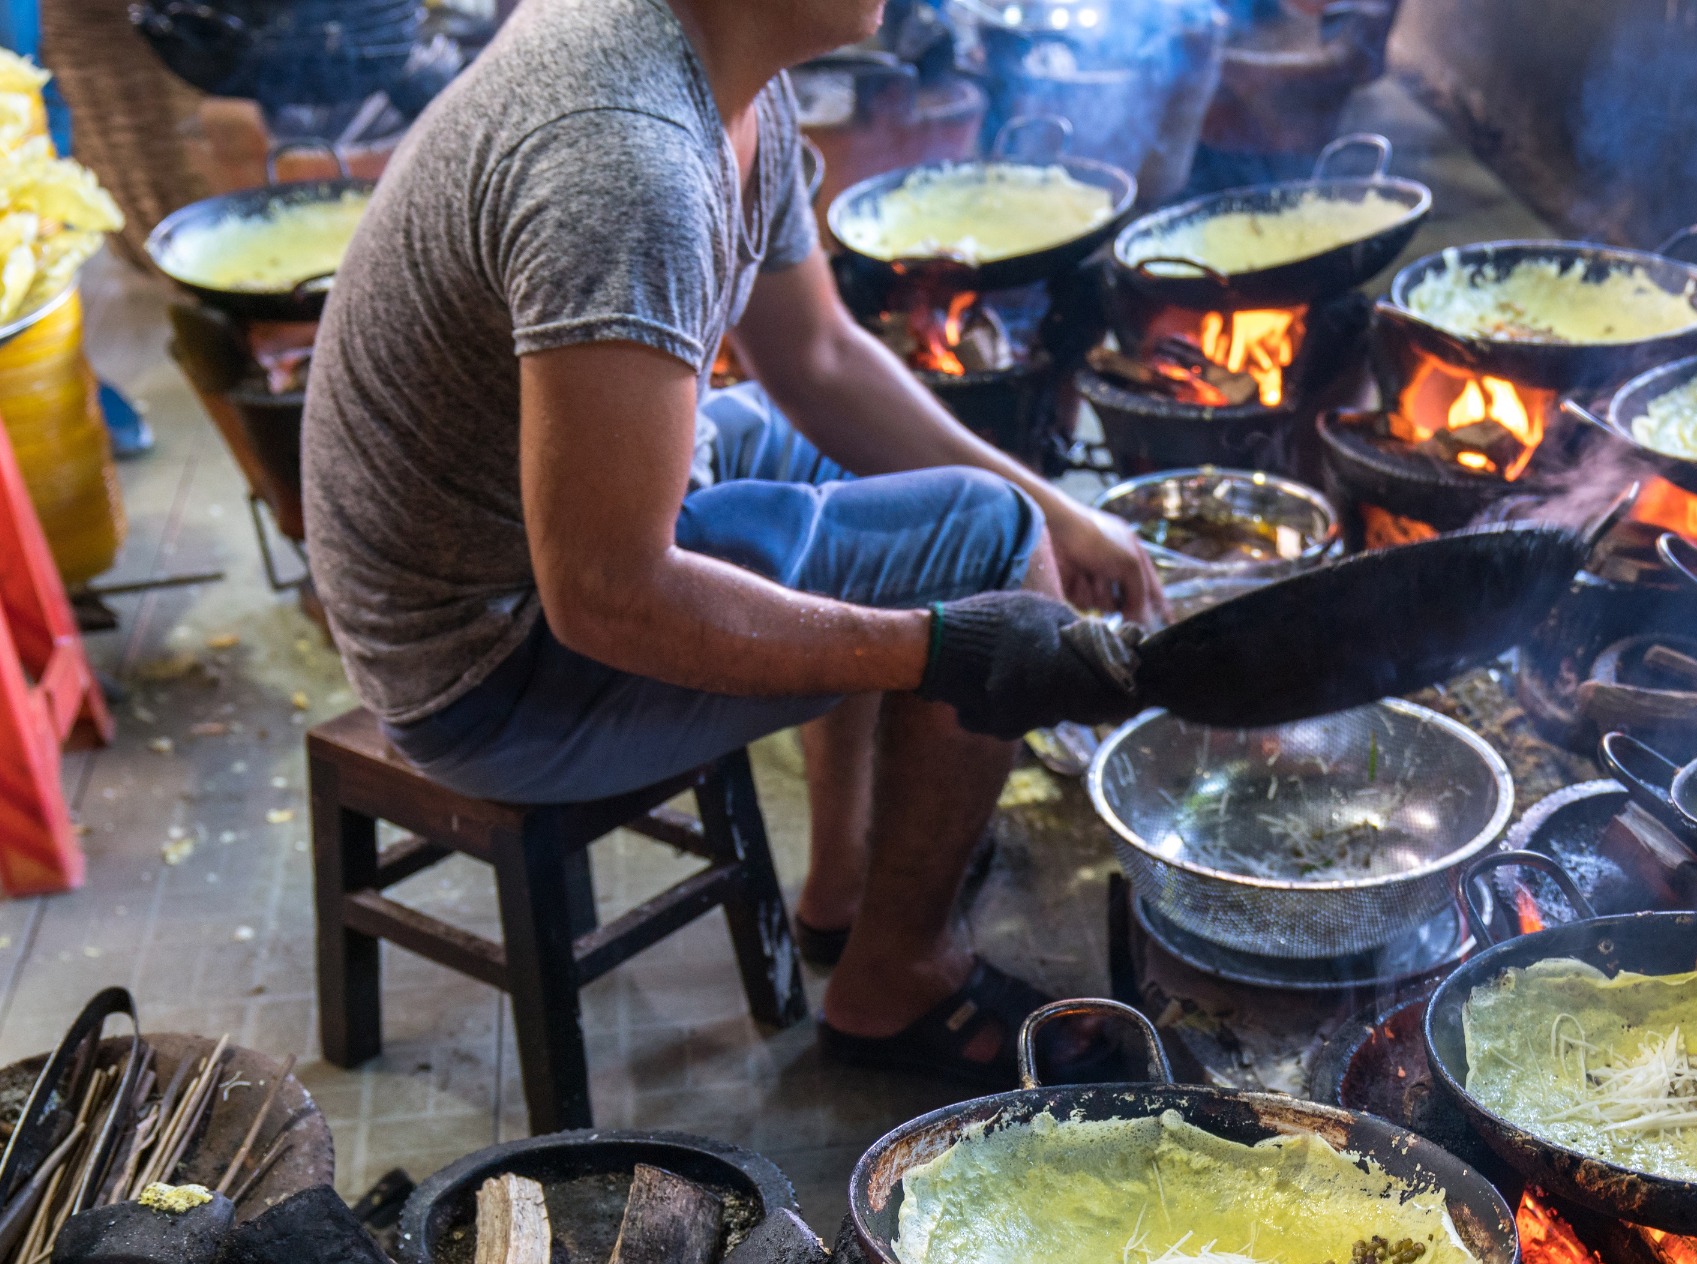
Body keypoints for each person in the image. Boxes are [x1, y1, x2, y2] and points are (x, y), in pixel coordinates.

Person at [303, 0, 1162, 1086]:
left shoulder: (726, 63)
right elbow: (607, 594)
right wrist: (940, 649)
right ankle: (900, 975)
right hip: (485, 668)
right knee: (989, 551)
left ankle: (850, 885)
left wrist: (1061, 506)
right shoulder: (630, 159)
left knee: (953, 502)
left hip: (513, 562)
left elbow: (819, 362)